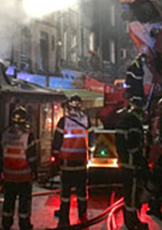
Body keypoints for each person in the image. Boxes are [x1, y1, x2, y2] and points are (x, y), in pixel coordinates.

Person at [52, 95, 93, 227]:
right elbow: (92, 141)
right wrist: (89, 152)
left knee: (65, 193)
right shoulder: (87, 120)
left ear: (69, 107)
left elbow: (56, 142)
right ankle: (82, 215)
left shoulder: (63, 121)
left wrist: (55, 157)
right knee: (81, 192)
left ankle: (64, 218)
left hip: (66, 164)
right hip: (81, 163)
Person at [115, 99, 150, 230]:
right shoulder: (134, 123)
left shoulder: (123, 122)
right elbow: (134, 146)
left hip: (124, 164)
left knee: (129, 193)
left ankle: (132, 220)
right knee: (132, 195)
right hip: (132, 164)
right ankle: (131, 223)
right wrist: (141, 161)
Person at [1, 106, 37, 230]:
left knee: (8, 201)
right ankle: (24, 224)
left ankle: (6, 224)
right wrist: (34, 171)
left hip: (8, 176)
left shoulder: (5, 134)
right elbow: (32, 157)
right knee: (24, 202)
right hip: (23, 177)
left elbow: (0, 154)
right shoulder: (28, 135)